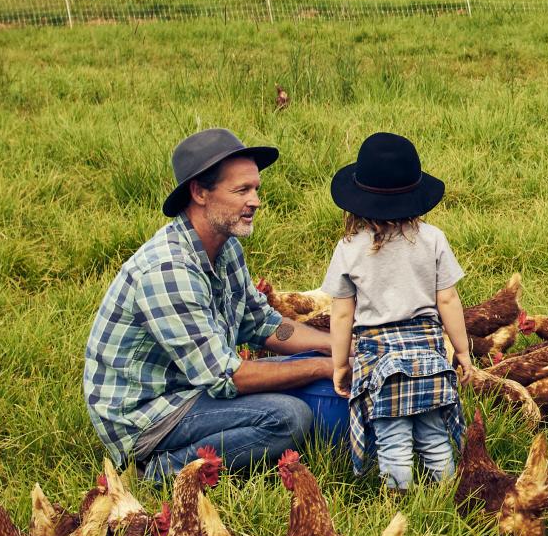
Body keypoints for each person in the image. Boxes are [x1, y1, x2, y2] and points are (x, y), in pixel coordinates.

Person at [83, 128, 337, 475]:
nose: (255, 201)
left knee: (306, 382)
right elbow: (226, 377)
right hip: (150, 415)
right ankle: (156, 469)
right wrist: (323, 366)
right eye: (242, 190)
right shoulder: (168, 271)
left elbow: (264, 324)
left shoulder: (225, 246)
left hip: (191, 388)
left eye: (256, 189)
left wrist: (335, 347)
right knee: (290, 416)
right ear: (200, 192)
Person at [322, 131, 470, 490]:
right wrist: (463, 351)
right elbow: (448, 299)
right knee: (435, 438)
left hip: (378, 357)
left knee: (393, 442)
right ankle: (446, 496)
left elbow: (341, 314)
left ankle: (400, 506)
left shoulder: (349, 248)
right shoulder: (432, 238)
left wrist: (341, 364)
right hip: (428, 353)